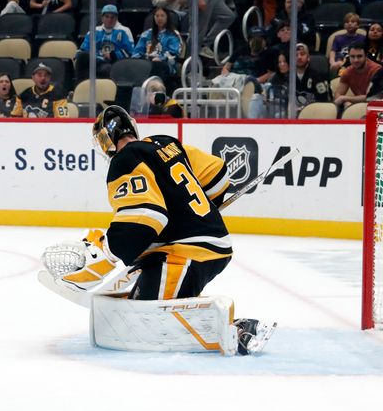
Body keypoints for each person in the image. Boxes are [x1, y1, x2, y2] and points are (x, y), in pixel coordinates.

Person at [78, 105, 272, 354]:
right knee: (137, 303)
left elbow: (145, 217)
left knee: (142, 319)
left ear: (106, 140)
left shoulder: (124, 160)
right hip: (198, 245)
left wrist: (107, 252)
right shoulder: (166, 143)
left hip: (187, 251)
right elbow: (217, 175)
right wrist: (189, 208)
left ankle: (237, 329)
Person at [75, 5, 134, 82]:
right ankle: (79, 88)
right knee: (81, 58)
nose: (109, 19)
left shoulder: (124, 31)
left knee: (106, 68)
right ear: (102, 18)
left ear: (116, 18)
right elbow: (84, 49)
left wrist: (112, 55)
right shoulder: (94, 31)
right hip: (95, 61)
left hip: (113, 62)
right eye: (107, 16)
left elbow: (130, 52)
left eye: (112, 17)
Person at [132, 5, 182, 81]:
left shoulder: (173, 34)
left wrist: (160, 58)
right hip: (147, 62)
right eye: (157, 16)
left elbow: (174, 54)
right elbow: (136, 53)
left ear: (167, 17)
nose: (159, 18)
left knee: (157, 65)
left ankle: (157, 90)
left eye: (162, 16)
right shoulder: (146, 34)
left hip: (166, 64)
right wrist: (143, 59)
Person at [334, 43, 382, 110]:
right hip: (358, 108)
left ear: (366, 56)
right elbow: (338, 95)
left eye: (359, 56)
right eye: (352, 57)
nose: (356, 60)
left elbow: (371, 97)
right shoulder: (348, 72)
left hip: (377, 107)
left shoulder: (377, 70)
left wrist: (345, 98)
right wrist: (346, 103)